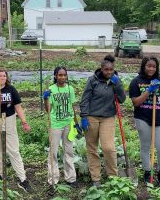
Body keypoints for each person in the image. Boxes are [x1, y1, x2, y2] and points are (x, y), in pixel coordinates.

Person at [0, 68, 33, 192]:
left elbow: (18, 107)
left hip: (8, 120)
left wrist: (24, 122)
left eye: (4, 76)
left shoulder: (11, 90)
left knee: (13, 150)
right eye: (0, 76)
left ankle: (22, 179)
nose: (3, 78)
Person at [80, 55, 126, 187]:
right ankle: (96, 178)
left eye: (111, 70)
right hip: (92, 117)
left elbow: (122, 99)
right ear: (101, 69)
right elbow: (85, 99)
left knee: (108, 147)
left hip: (108, 117)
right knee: (92, 148)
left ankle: (113, 176)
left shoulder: (115, 81)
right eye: (106, 70)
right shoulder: (92, 80)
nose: (109, 72)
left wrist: (118, 84)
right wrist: (84, 116)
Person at [129, 56, 160, 185]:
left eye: (154, 66)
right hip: (142, 118)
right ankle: (147, 172)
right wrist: (148, 91)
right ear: (144, 66)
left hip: (159, 118)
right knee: (146, 147)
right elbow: (136, 102)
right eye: (149, 66)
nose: (151, 68)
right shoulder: (136, 81)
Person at [43, 66, 80, 194]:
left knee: (69, 151)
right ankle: (53, 180)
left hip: (68, 124)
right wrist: (45, 98)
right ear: (55, 76)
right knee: (53, 152)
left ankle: (71, 178)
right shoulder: (51, 90)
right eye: (60, 75)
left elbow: (72, 107)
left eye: (64, 75)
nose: (63, 77)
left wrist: (76, 123)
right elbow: (48, 110)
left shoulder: (70, 89)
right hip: (55, 125)